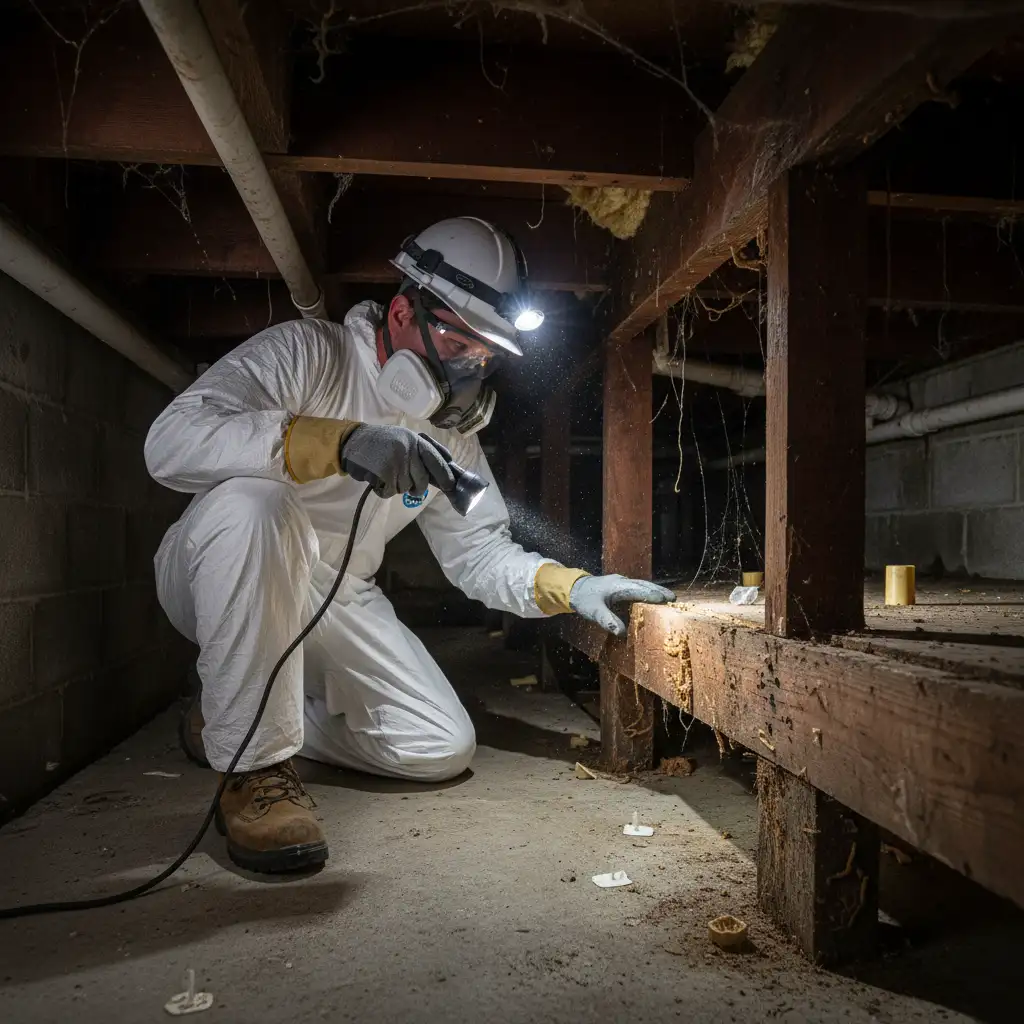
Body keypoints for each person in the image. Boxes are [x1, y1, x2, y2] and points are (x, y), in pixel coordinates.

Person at [145, 217, 674, 874]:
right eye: (460, 341)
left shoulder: (451, 439)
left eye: (485, 356)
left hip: (337, 593)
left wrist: (571, 586)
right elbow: (169, 443)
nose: (469, 367)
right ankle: (253, 772)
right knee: (261, 503)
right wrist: (332, 443)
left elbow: (478, 551)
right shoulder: (309, 354)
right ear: (402, 311)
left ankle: (225, 716)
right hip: (217, 566)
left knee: (439, 745)